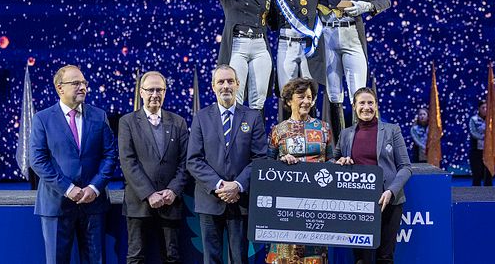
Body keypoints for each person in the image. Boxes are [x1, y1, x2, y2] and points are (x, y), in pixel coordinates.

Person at [156, 0, 273, 113]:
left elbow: (274, 20)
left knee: (259, 98)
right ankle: (235, 137)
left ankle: (256, 138)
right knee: (235, 95)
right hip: (238, 46)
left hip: (261, 47)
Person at [30, 65, 117, 264]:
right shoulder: (42, 119)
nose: (83, 87)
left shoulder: (99, 115)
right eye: (76, 83)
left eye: (84, 83)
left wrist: (94, 187)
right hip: (56, 205)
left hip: (93, 204)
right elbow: (37, 160)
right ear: (60, 88)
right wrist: (68, 188)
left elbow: (110, 155)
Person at [187, 65, 267, 264]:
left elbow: (260, 158)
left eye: (230, 81)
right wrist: (220, 186)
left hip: (241, 201)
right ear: (213, 86)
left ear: (238, 85)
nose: (226, 86)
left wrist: (237, 185)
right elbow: (194, 159)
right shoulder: (201, 117)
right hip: (210, 201)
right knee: (211, 259)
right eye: (221, 82)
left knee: (240, 259)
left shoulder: (253, 117)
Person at [319, 0, 391, 134]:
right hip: (328, 33)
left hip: (352, 35)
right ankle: (339, 147)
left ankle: (361, 145)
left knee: (358, 92)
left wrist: (367, 6)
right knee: (333, 93)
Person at [118, 71, 190, 264]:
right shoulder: (127, 122)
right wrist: (149, 194)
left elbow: (185, 162)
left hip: (170, 202)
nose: (155, 94)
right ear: (141, 92)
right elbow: (127, 161)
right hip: (138, 202)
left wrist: (173, 190)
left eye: (160, 89)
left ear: (165, 92)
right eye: (150, 89)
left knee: (172, 257)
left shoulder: (179, 122)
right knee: (136, 256)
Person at [335, 87, 412, 264]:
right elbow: (334, 159)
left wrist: (391, 191)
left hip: (389, 202)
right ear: (354, 106)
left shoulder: (392, 130)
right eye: (362, 103)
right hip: (358, 204)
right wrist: (339, 162)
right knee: (362, 258)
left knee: (385, 257)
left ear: (376, 106)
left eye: (370, 103)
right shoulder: (346, 134)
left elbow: (406, 167)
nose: (366, 107)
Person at [265, 78, 333, 263]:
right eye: (301, 97)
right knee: (285, 255)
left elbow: (331, 160)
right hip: (287, 203)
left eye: (309, 97)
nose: (306, 101)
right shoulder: (278, 131)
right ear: (289, 101)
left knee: (314, 254)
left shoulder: (324, 128)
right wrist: (281, 161)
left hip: (316, 202)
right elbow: (267, 167)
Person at [468, 100, 492, 186]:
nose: (485, 109)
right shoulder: (473, 119)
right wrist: (484, 137)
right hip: (476, 150)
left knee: (489, 173)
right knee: (477, 173)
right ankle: (476, 194)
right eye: (483, 108)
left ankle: (489, 194)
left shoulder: (491, 120)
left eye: (486, 108)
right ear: (479, 109)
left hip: (488, 150)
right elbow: (473, 132)